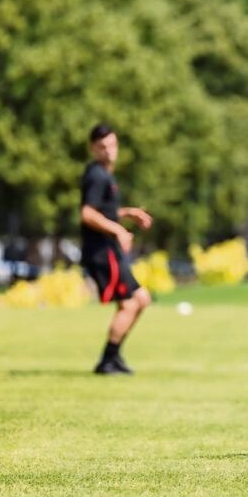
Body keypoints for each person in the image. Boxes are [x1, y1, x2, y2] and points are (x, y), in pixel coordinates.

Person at [80, 124, 153, 375]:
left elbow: (103, 211)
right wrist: (118, 230)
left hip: (109, 250)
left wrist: (127, 213)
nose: (109, 151)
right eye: (102, 147)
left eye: (112, 145)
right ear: (93, 148)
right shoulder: (97, 176)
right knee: (130, 304)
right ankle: (107, 361)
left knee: (142, 299)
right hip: (102, 252)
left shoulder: (104, 175)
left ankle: (113, 356)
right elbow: (87, 214)